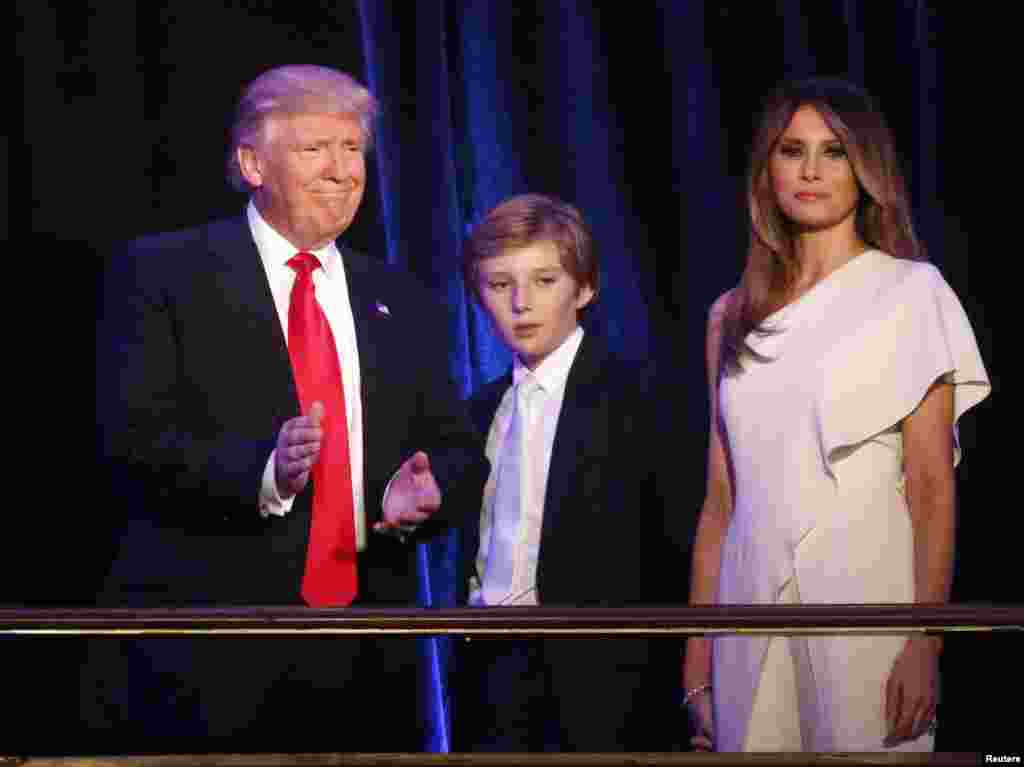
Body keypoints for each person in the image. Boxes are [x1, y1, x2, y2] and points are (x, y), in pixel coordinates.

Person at [87, 64, 488, 754]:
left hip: (370, 656)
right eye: (313, 150)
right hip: (215, 653)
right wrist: (266, 470)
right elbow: (132, 440)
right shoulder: (162, 274)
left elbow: (453, 446)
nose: (340, 170)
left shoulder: (400, 293)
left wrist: (428, 490)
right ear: (251, 162)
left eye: (352, 149)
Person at [681, 77, 991, 753]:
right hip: (747, 601)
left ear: (866, 167)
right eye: (793, 150)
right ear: (768, 168)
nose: (812, 170)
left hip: (866, 596)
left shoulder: (911, 293)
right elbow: (720, 500)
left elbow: (933, 486)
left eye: (834, 151)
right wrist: (696, 657)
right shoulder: (729, 317)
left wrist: (924, 639)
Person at [454, 194, 686, 752]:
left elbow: (671, 553)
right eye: (499, 284)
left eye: (545, 280)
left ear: (583, 289)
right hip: (492, 669)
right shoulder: (477, 411)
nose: (521, 303)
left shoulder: (635, 401)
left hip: (599, 679)